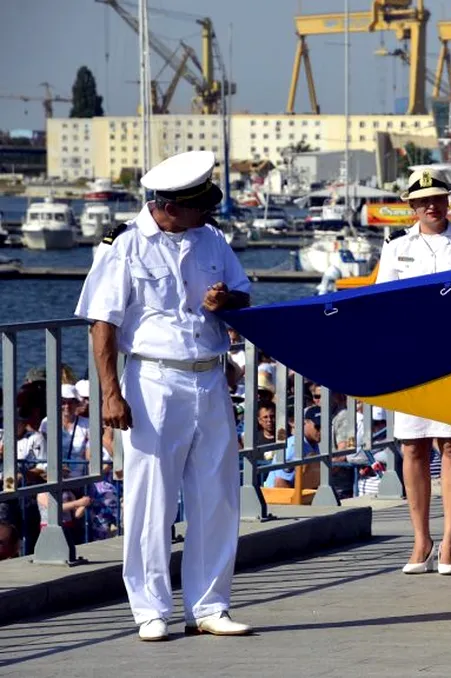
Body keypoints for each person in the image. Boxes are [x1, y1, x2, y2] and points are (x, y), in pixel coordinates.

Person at [75, 150, 253, 641]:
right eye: (200, 205)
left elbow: (243, 294)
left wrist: (224, 300)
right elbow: (103, 324)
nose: (209, 213)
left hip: (209, 377)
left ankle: (209, 605)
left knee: (217, 496)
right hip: (153, 380)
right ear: (170, 207)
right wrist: (111, 394)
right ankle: (150, 609)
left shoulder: (212, 239)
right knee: (150, 498)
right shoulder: (125, 246)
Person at [374, 167, 451, 576]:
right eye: (423, 201)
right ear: (412, 206)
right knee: (413, 446)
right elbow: (383, 301)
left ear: (448, 200)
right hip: (412, 355)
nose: (431, 206)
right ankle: (421, 539)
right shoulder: (396, 247)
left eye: (438, 198)